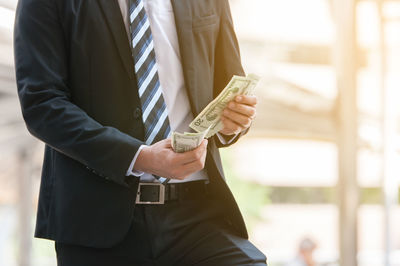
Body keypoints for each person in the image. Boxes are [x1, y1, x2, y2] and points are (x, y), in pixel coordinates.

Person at [14, 0, 267, 265]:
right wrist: (140, 157)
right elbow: (42, 104)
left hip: (200, 213)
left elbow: (226, 86)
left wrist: (232, 123)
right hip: (96, 220)